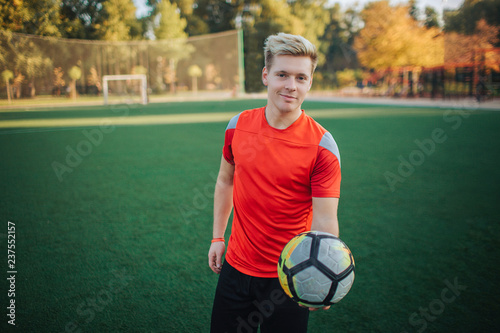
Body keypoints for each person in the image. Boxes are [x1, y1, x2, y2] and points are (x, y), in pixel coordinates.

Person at [208, 32, 342, 333]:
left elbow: (324, 220)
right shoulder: (237, 126)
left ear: (310, 82)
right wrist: (218, 237)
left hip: (289, 278)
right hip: (235, 269)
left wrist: (322, 276)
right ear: (266, 75)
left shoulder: (323, 146)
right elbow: (225, 181)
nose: (291, 86)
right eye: (282, 74)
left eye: (300, 78)